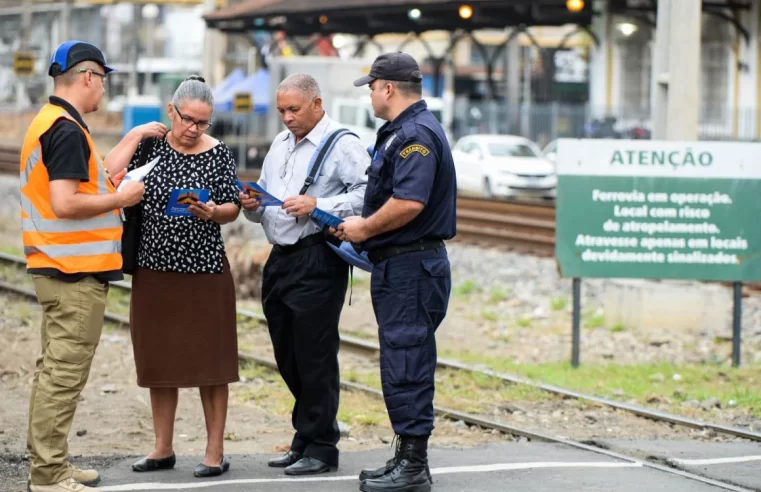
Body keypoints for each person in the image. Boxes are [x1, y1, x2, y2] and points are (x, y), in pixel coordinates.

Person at [21, 40, 145, 492]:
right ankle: (49, 476)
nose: (104, 90)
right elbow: (66, 202)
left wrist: (131, 140)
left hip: (59, 268)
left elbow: (92, 180)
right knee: (63, 375)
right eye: (104, 80)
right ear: (89, 76)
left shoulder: (55, 122)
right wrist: (123, 199)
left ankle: (52, 464)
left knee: (55, 371)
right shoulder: (67, 130)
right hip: (72, 274)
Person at [104, 75, 241, 478]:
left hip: (205, 272)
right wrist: (135, 132)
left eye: (203, 122)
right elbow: (109, 173)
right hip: (154, 271)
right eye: (188, 120)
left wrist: (215, 212)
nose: (194, 129)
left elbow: (232, 206)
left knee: (212, 365)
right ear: (171, 111)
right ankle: (162, 447)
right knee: (159, 362)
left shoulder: (219, 155)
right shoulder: (148, 146)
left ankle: (214, 451)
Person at [334, 52, 457, 492]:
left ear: (388, 87)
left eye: (371, 86)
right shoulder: (403, 132)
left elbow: (410, 202)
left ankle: (413, 467)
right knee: (401, 360)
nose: (369, 93)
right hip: (403, 266)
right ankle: (406, 458)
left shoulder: (415, 135)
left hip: (411, 267)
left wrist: (364, 227)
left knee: (408, 362)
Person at [240, 73, 368, 476]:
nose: (287, 118)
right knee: (287, 352)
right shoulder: (280, 144)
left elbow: (369, 194)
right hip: (279, 258)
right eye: (281, 110)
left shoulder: (343, 143)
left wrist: (318, 203)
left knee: (315, 355)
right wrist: (251, 203)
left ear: (316, 103)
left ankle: (322, 446)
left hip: (317, 258)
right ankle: (305, 436)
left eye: (293, 109)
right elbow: (263, 196)